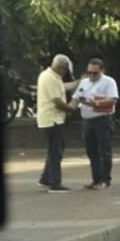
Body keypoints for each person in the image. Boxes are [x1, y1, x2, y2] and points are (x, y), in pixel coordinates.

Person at [72, 57, 118, 190]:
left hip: (102, 118)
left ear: (102, 71)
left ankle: (105, 179)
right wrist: (67, 109)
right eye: (89, 72)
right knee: (91, 151)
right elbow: (75, 99)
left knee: (104, 151)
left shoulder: (109, 82)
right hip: (87, 119)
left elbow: (113, 99)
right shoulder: (84, 82)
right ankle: (96, 178)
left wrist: (96, 103)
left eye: (95, 73)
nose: (91, 75)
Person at [36, 54, 79, 191]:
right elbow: (59, 103)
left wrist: (79, 82)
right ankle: (55, 183)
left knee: (54, 149)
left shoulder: (49, 75)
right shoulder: (51, 79)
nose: (65, 73)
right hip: (52, 119)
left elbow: (63, 86)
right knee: (56, 151)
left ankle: (46, 178)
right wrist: (71, 107)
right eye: (65, 70)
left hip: (50, 119)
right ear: (61, 68)